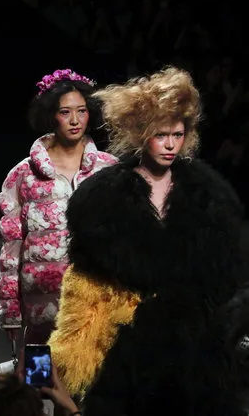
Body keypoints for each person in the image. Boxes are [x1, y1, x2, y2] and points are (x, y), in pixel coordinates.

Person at [48, 67, 248, 415]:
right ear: (142, 133)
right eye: (161, 134)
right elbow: (83, 291)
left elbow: (225, 276)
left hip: (191, 354)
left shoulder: (210, 197)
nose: (171, 144)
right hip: (120, 348)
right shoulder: (102, 199)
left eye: (178, 134)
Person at [0, 69, 117, 349]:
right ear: (51, 114)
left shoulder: (109, 170)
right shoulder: (24, 175)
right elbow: (11, 249)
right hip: (41, 308)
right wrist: (10, 313)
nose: (75, 120)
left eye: (82, 111)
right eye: (65, 112)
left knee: (88, 386)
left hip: (96, 303)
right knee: (36, 383)